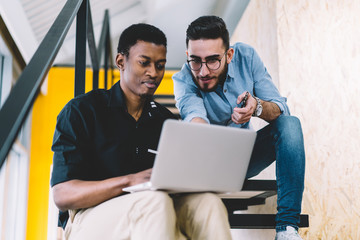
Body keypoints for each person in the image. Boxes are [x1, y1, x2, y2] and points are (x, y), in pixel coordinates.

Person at [51, 23, 233, 240]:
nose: (153, 73)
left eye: (160, 65)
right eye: (144, 63)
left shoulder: (165, 121)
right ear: (120, 62)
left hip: (154, 210)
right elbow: (62, 194)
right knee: (154, 201)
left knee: (208, 204)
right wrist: (129, 181)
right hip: (87, 218)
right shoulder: (82, 111)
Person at [173, 15, 305, 240]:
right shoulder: (184, 79)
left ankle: (286, 231)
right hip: (208, 168)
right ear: (187, 56)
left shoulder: (247, 57)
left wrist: (258, 107)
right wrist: (202, 130)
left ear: (229, 55)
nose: (203, 71)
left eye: (213, 60)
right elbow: (194, 117)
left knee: (289, 125)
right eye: (195, 60)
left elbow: (281, 108)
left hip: (245, 159)